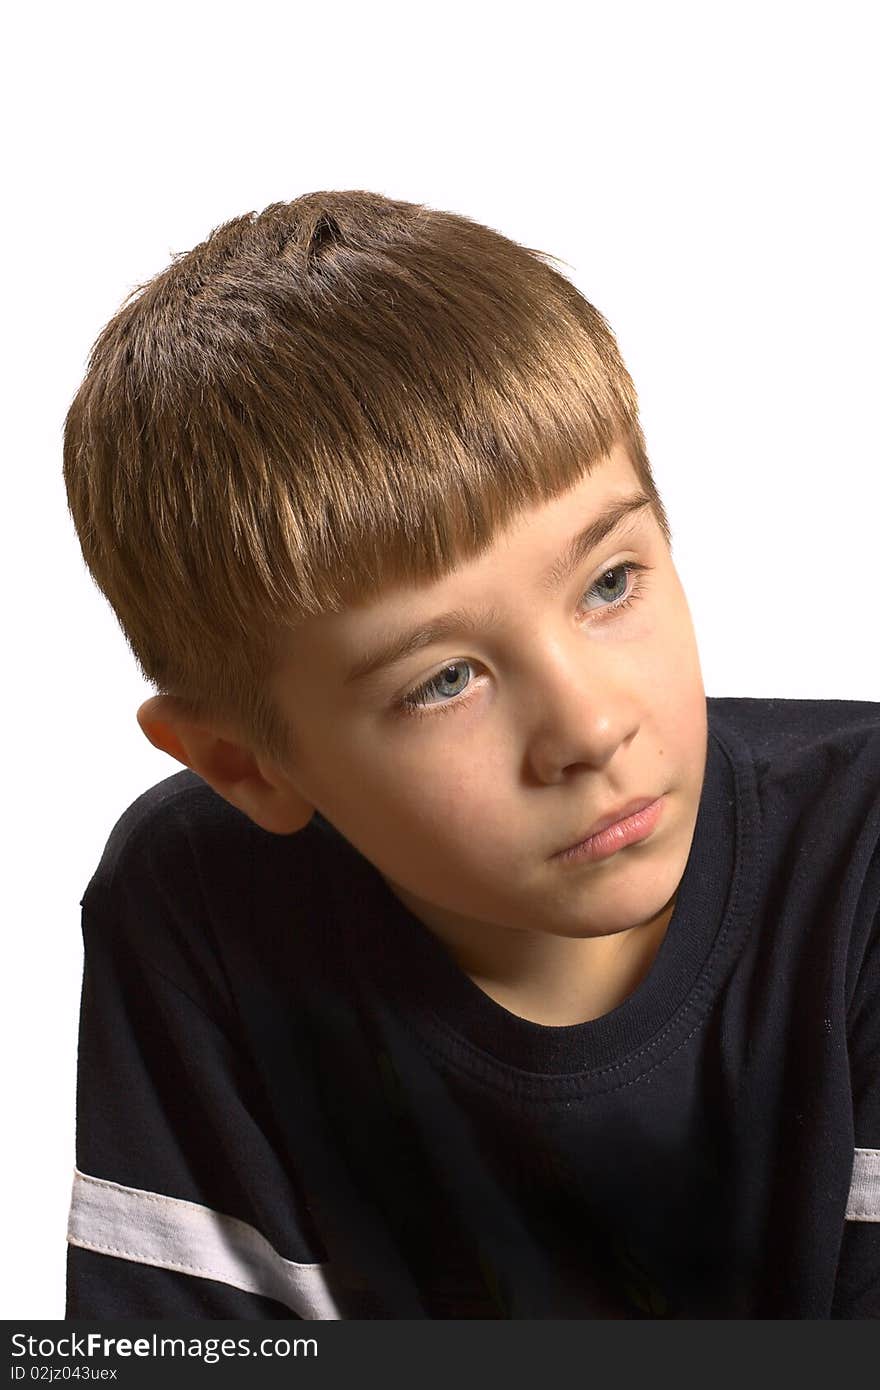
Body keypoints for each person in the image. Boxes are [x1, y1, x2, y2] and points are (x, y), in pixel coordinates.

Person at [62, 190, 879, 1319]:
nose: (592, 730)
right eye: (443, 678)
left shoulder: (861, 851)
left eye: (609, 581)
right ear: (247, 765)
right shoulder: (192, 904)